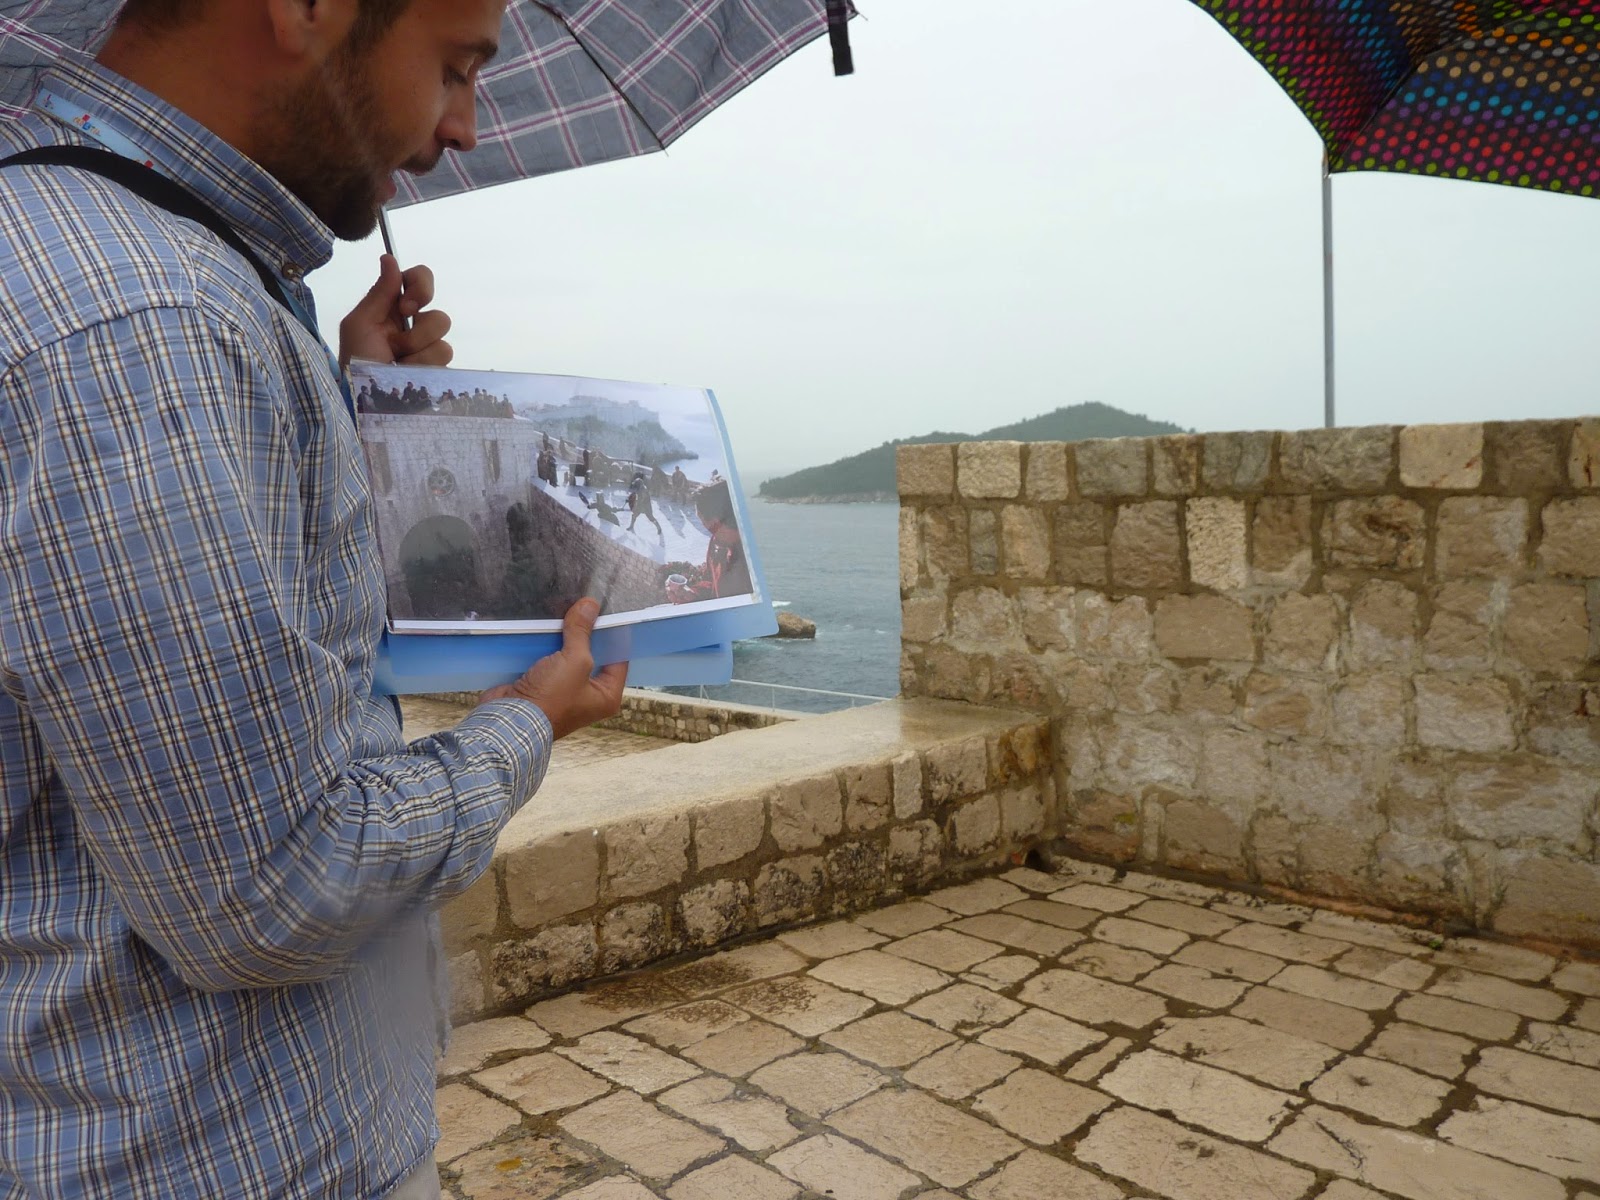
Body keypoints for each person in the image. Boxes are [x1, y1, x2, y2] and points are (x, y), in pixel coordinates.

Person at [0, 3, 628, 1199]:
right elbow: (267, 891)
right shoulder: (150, 322)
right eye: (455, 65)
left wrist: (345, 401)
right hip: (226, 1154)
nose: (464, 126)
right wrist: (524, 724)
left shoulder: (127, 269)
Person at [626, 469, 663, 536]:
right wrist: (629, 499)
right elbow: (635, 494)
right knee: (634, 515)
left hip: (646, 506)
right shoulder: (639, 488)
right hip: (640, 505)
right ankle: (631, 526)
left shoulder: (643, 490)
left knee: (651, 518)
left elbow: (641, 499)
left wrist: (636, 505)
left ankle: (659, 528)